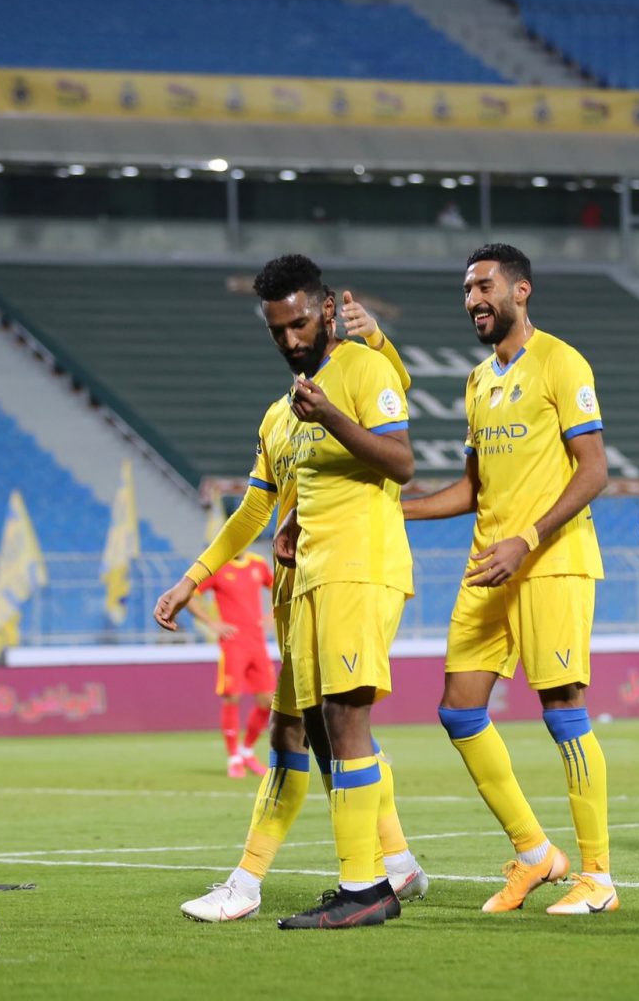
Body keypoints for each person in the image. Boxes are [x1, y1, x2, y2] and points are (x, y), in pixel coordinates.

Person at [155, 260, 418, 929]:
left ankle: (363, 888)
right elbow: (252, 510)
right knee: (295, 729)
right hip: (304, 584)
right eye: (278, 330)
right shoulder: (279, 415)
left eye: (299, 323)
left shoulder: (364, 369)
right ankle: (383, 866)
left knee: (343, 719)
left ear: (327, 310)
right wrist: (192, 579)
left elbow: (401, 462)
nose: (291, 339)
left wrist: (331, 415)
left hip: (359, 569)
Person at [401, 243, 617, 914]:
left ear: (521, 291)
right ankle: (534, 853)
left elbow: (594, 470)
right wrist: (394, 510)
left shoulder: (561, 361)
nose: (473, 300)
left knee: (562, 710)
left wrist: (528, 538)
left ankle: (598, 878)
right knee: (458, 710)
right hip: (489, 565)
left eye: (484, 286)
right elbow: (471, 488)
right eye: (467, 290)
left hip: (549, 559)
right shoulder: (477, 381)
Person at [191, 552, 275, 778]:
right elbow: (189, 595)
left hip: (257, 643)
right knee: (232, 697)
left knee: (268, 701)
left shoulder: (258, 564)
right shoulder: (217, 566)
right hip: (233, 644)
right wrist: (212, 623)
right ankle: (234, 758)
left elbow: (281, 588)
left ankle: (247, 751)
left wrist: (273, 615)